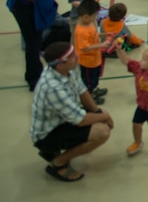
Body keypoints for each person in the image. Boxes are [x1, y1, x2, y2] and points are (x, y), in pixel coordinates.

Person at [30, 42, 114, 182]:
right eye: (73, 57)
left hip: (63, 119)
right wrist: (105, 116)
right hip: (47, 134)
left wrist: (98, 112)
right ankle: (58, 163)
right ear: (60, 65)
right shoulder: (52, 87)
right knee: (102, 132)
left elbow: (82, 91)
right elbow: (80, 120)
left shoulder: (66, 70)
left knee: (98, 119)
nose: (77, 57)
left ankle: (53, 151)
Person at [74, 0, 107, 104]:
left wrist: (103, 35)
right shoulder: (81, 31)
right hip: (87, 62)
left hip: (95, 58)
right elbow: (84, 47)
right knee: (88, 81)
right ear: (86, 17)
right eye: (94, 16)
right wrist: (101, 44)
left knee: (95, 77)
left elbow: (93, 35)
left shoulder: (89, 24)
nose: (95, 18)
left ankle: (94, 89)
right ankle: (89, 96)